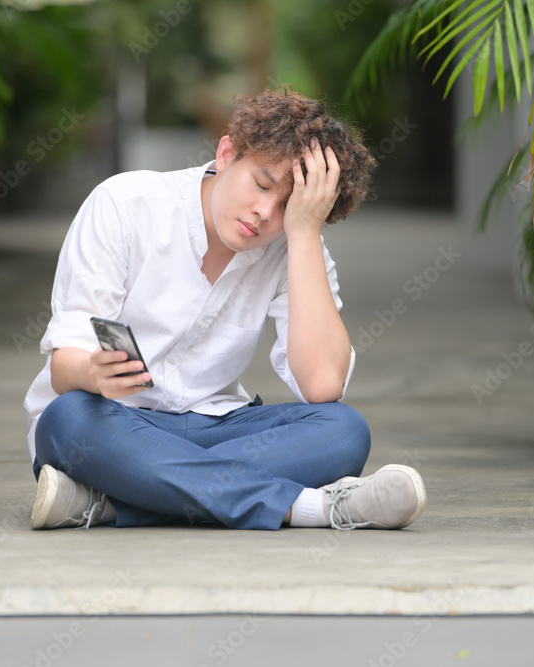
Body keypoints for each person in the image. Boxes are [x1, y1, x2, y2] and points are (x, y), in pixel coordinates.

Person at [23, 89, 426, 532]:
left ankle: (116, 501)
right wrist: (93, 373)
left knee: (343, 431)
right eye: (262, 185)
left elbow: (323, 385)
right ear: (227, 153)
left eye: (287, 206)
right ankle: (313, 508)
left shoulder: (296, 246)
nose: (264, 213)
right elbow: (64, 366)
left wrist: (305, 234)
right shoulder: (124, 204)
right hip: (114, 423)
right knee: (66, 419)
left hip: (213, 424)